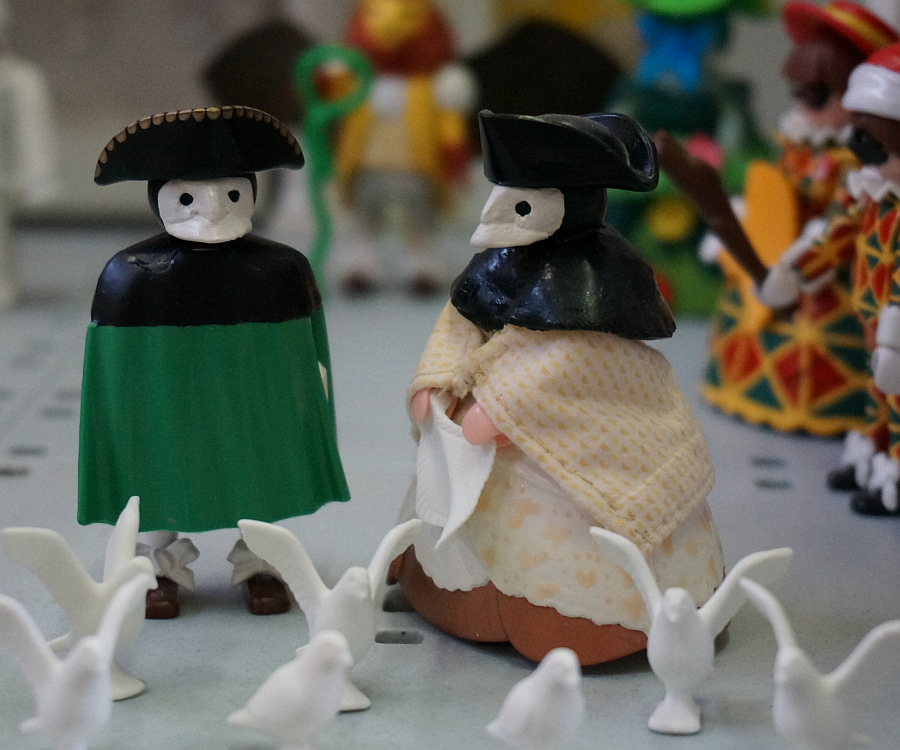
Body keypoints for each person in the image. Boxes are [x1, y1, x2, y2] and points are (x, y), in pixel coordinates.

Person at [389, 110, 726, 666]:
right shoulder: (496, 262)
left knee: (569, 557)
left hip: (575, 437)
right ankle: (448, 585)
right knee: (457, 501)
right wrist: (437, 377)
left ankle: (605, 614)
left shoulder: (601, 278)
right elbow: (459, 322)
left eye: (522, 206)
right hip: (478, 443)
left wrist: (505, 407)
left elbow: (582, 359)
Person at [78, 106, 351, 618]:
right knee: (154, 481)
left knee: (260, 476)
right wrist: (119, 423)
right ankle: (156, 567)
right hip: (164, 407)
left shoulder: (282, 270)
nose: (213, 211)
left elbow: (309, 350)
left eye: (230, 194)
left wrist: (308, 403)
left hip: (253, 403)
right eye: (188, 197)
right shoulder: (129, 274)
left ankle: (262, 563)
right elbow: (110, 372)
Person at [701, 1, 896, 436]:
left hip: (838, 280)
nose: (805, 106)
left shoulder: (863, 165)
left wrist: (806, 250)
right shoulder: (801, 143)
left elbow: (844, 221)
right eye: (799, 92)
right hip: (782, 255)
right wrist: (749, 214)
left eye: (819, 95)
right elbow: (777, 190)